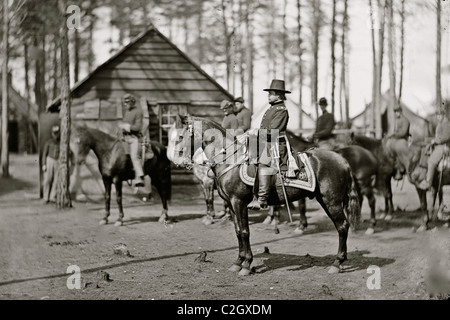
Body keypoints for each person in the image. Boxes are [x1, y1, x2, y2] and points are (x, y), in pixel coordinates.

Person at [247, 79, 290, 211]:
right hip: (266, 142)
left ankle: (262, 199)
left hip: (276, 144)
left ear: (278, 95)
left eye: (270, 93)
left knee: (263, 162)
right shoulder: (272, 108)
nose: (268, 96)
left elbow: (273, 131)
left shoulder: (281, 110)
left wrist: (256, 132)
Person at [418, 109, 450, 190]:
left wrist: (435, 141)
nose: (438, 117)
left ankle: (428, 183)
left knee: (431, 162)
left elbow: (446, 136)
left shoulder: (446, 123)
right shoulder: (441, 123)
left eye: (440, 115)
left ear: (443, 115)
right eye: (437, 115)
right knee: (425, 153)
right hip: (439, 145)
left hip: (444, 146)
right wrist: (430, 140)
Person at [119, 93, 145, 187]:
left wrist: (127, 127)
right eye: (125, 103)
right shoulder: (127, 113)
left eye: (127, 102)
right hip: (126, 138)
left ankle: (139, 177)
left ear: (132, 102)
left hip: (135, 138)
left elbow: (138, 127)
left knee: (134, 156)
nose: (126, 104)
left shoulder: (138, 112)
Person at [385, 105, 410, 180]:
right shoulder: (397, 121)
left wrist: (393, 135)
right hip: (397, 139)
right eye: (395, 112)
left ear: (400, 111)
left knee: (397, 147)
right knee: (387, 145)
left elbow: (403, 133)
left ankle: (401, 169)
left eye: (397, 112)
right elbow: (395, 131)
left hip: (403, 139)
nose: (396, 113)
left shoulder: (405, 120)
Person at [42, 125, 61, 203]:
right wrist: (44, 164)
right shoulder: (49, 142)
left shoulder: (61, 142)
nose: (56, 135)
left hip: (57, 161)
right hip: (49, 160)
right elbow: (44, 154)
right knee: (47, 179)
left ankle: (53, 197)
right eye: (54, 133)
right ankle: (46, 197)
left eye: (57, 133)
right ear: (52, 133)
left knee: (56, 180)